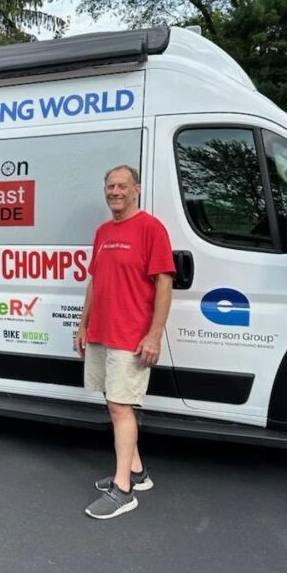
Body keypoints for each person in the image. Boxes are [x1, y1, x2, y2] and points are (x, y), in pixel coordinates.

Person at [75, 165, 175, 520]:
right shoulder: (103, 231)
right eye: (110, 186)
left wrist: (153, 334)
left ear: (137, 189)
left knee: (120, 406)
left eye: (122, 186)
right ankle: (137, 473)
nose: (115, 191)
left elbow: (164, 283)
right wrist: (83, 324)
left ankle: (123, 490)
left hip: (131, 334)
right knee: (113, 401)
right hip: (102, 330)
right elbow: (94, 282)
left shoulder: (151, 228)